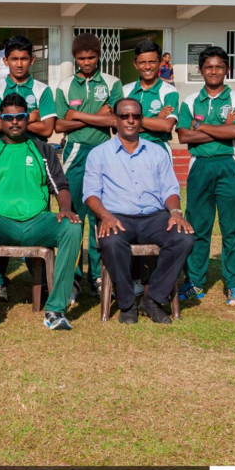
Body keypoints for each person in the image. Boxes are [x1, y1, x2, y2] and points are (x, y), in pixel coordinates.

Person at [0, 94, 82, 331]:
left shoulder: (43, 150)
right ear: (0, 120)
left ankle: (56, 308)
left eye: (20, 117)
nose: (14, 122)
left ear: (27, 119)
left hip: (37, 223)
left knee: (72, 227)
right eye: (8, 117)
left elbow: (60, 186)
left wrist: (65, 209)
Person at [83, 98, 194, 324]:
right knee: (112, 243)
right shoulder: (99, 154)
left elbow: (170, 190)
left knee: (183, 238)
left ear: (142, 120)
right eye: (124, 116)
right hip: (117, 217)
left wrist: (175, 212)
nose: (130, 120)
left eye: (135, 116)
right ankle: (126, 304)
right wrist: (104, 215)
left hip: (154, 218)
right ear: (115, 120)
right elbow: (91, 195)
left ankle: (152, 299)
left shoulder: (157, 152)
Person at [0, 35, 57, 300]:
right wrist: (31, 118)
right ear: (5, 60)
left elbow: (48, 129)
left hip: (35, 159)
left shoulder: (42, 89)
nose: (19, 63)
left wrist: (14, 122)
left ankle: (42, 280)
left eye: (24, 58)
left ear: (32, 59)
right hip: (3, 160)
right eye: (13, 58)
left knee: (38, 217)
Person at [176, 46, 235, 306]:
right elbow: (184, 136)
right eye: (209, 67)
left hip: (228, 165)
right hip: (200, 166)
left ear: (227, 69)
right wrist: (222, 128)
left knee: (232, 229)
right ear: (200, 70)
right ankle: (194, 282)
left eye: (219, 67)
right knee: (197, 227)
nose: (214, 71)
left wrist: (203, 127)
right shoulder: (189, 100)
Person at [54, 33, 123, 297]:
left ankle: (98, 276)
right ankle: (72, 279)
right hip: (75, 153)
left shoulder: (112, 83)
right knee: (73, 217)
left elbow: (114, 121)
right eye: (81, 58)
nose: (86, 62)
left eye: (91, 57)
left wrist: (78, 116)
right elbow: (60, 124)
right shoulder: (64, 85)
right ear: (75, 58)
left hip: (104, 152)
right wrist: (96, 116)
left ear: (99, 56)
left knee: (101, 215)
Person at [122, 39, 179, 158]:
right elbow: (118, 127)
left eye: (152, 62)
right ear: (135, 64)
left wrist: (131, 122)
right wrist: (157, 120)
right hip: (128, 148)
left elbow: (167, 126)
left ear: (160, 63)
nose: (147, 67)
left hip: (158, 149)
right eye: (142, 62)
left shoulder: (169, 91)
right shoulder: (125, 90)